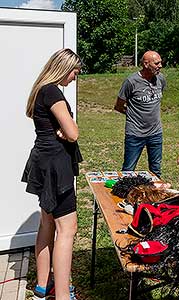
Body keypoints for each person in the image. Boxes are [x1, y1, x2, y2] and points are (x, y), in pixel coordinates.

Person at [22, 48, 82, 300]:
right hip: (56, 167)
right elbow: (73, 132)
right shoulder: (53, 91)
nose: (75, 78)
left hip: (43, 163)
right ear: (64, 68)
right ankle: (63, 296)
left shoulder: (41, 90)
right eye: (75, 72)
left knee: (47, 224)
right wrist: (65, 129)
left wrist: (63, 130)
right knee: (67, 229)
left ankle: (42, 286)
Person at [114, 50, 166, 177]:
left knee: (156, 170)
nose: (160, 66)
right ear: (146, 64)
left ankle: (155, 196)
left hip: (155, 133)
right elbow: (118, 106)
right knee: (128, 170)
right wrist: (133, 114)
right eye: (157, 63)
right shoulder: (131, 82)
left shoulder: (161, 79)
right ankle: (125, 195)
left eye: (160, 63)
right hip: (135, 134)